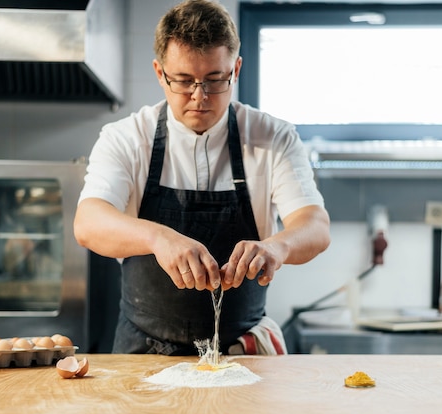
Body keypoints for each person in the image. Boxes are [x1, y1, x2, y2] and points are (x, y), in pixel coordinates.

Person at [74, 0, 330, 355]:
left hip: (243, 354)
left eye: (215, 79)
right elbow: (88, 223)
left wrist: (277, 246)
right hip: (143, 353)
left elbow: (315, 226)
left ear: (236, 69)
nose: (199, 96)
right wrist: (158, 237)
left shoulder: (273, 137)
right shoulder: (127, 138)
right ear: (159, 72)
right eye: (182, 81)